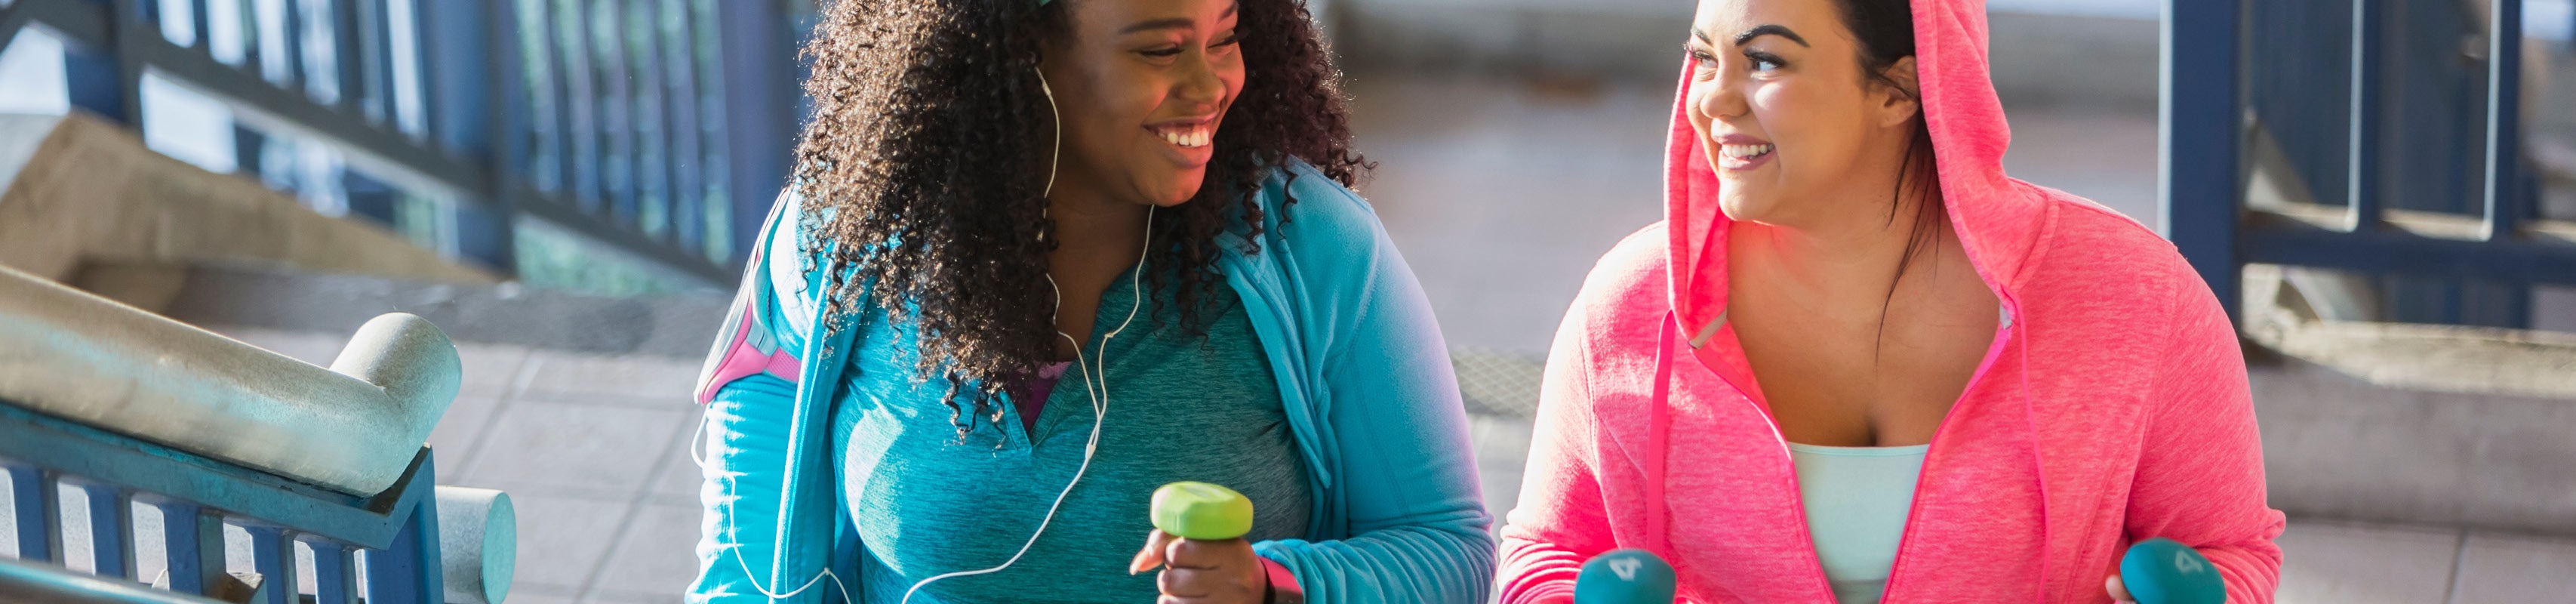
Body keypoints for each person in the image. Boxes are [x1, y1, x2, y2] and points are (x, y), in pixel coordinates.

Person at [685, 0, 1493, 602]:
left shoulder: (1312, 248)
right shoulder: (839, 242)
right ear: (1017, 51)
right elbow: (741, 573)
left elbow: (1450, 548)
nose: (1211, 84)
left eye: (1224, 36)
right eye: (1160, 50)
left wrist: (1275, 579)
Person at [1493, 0, 2285, 602]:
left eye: (1764, 63)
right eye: (1702, 58)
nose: (1712, 100)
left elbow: (2229, 551)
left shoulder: (2135, 297)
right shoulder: (1628, 306)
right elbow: (1544, 552)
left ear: (1902, 89)